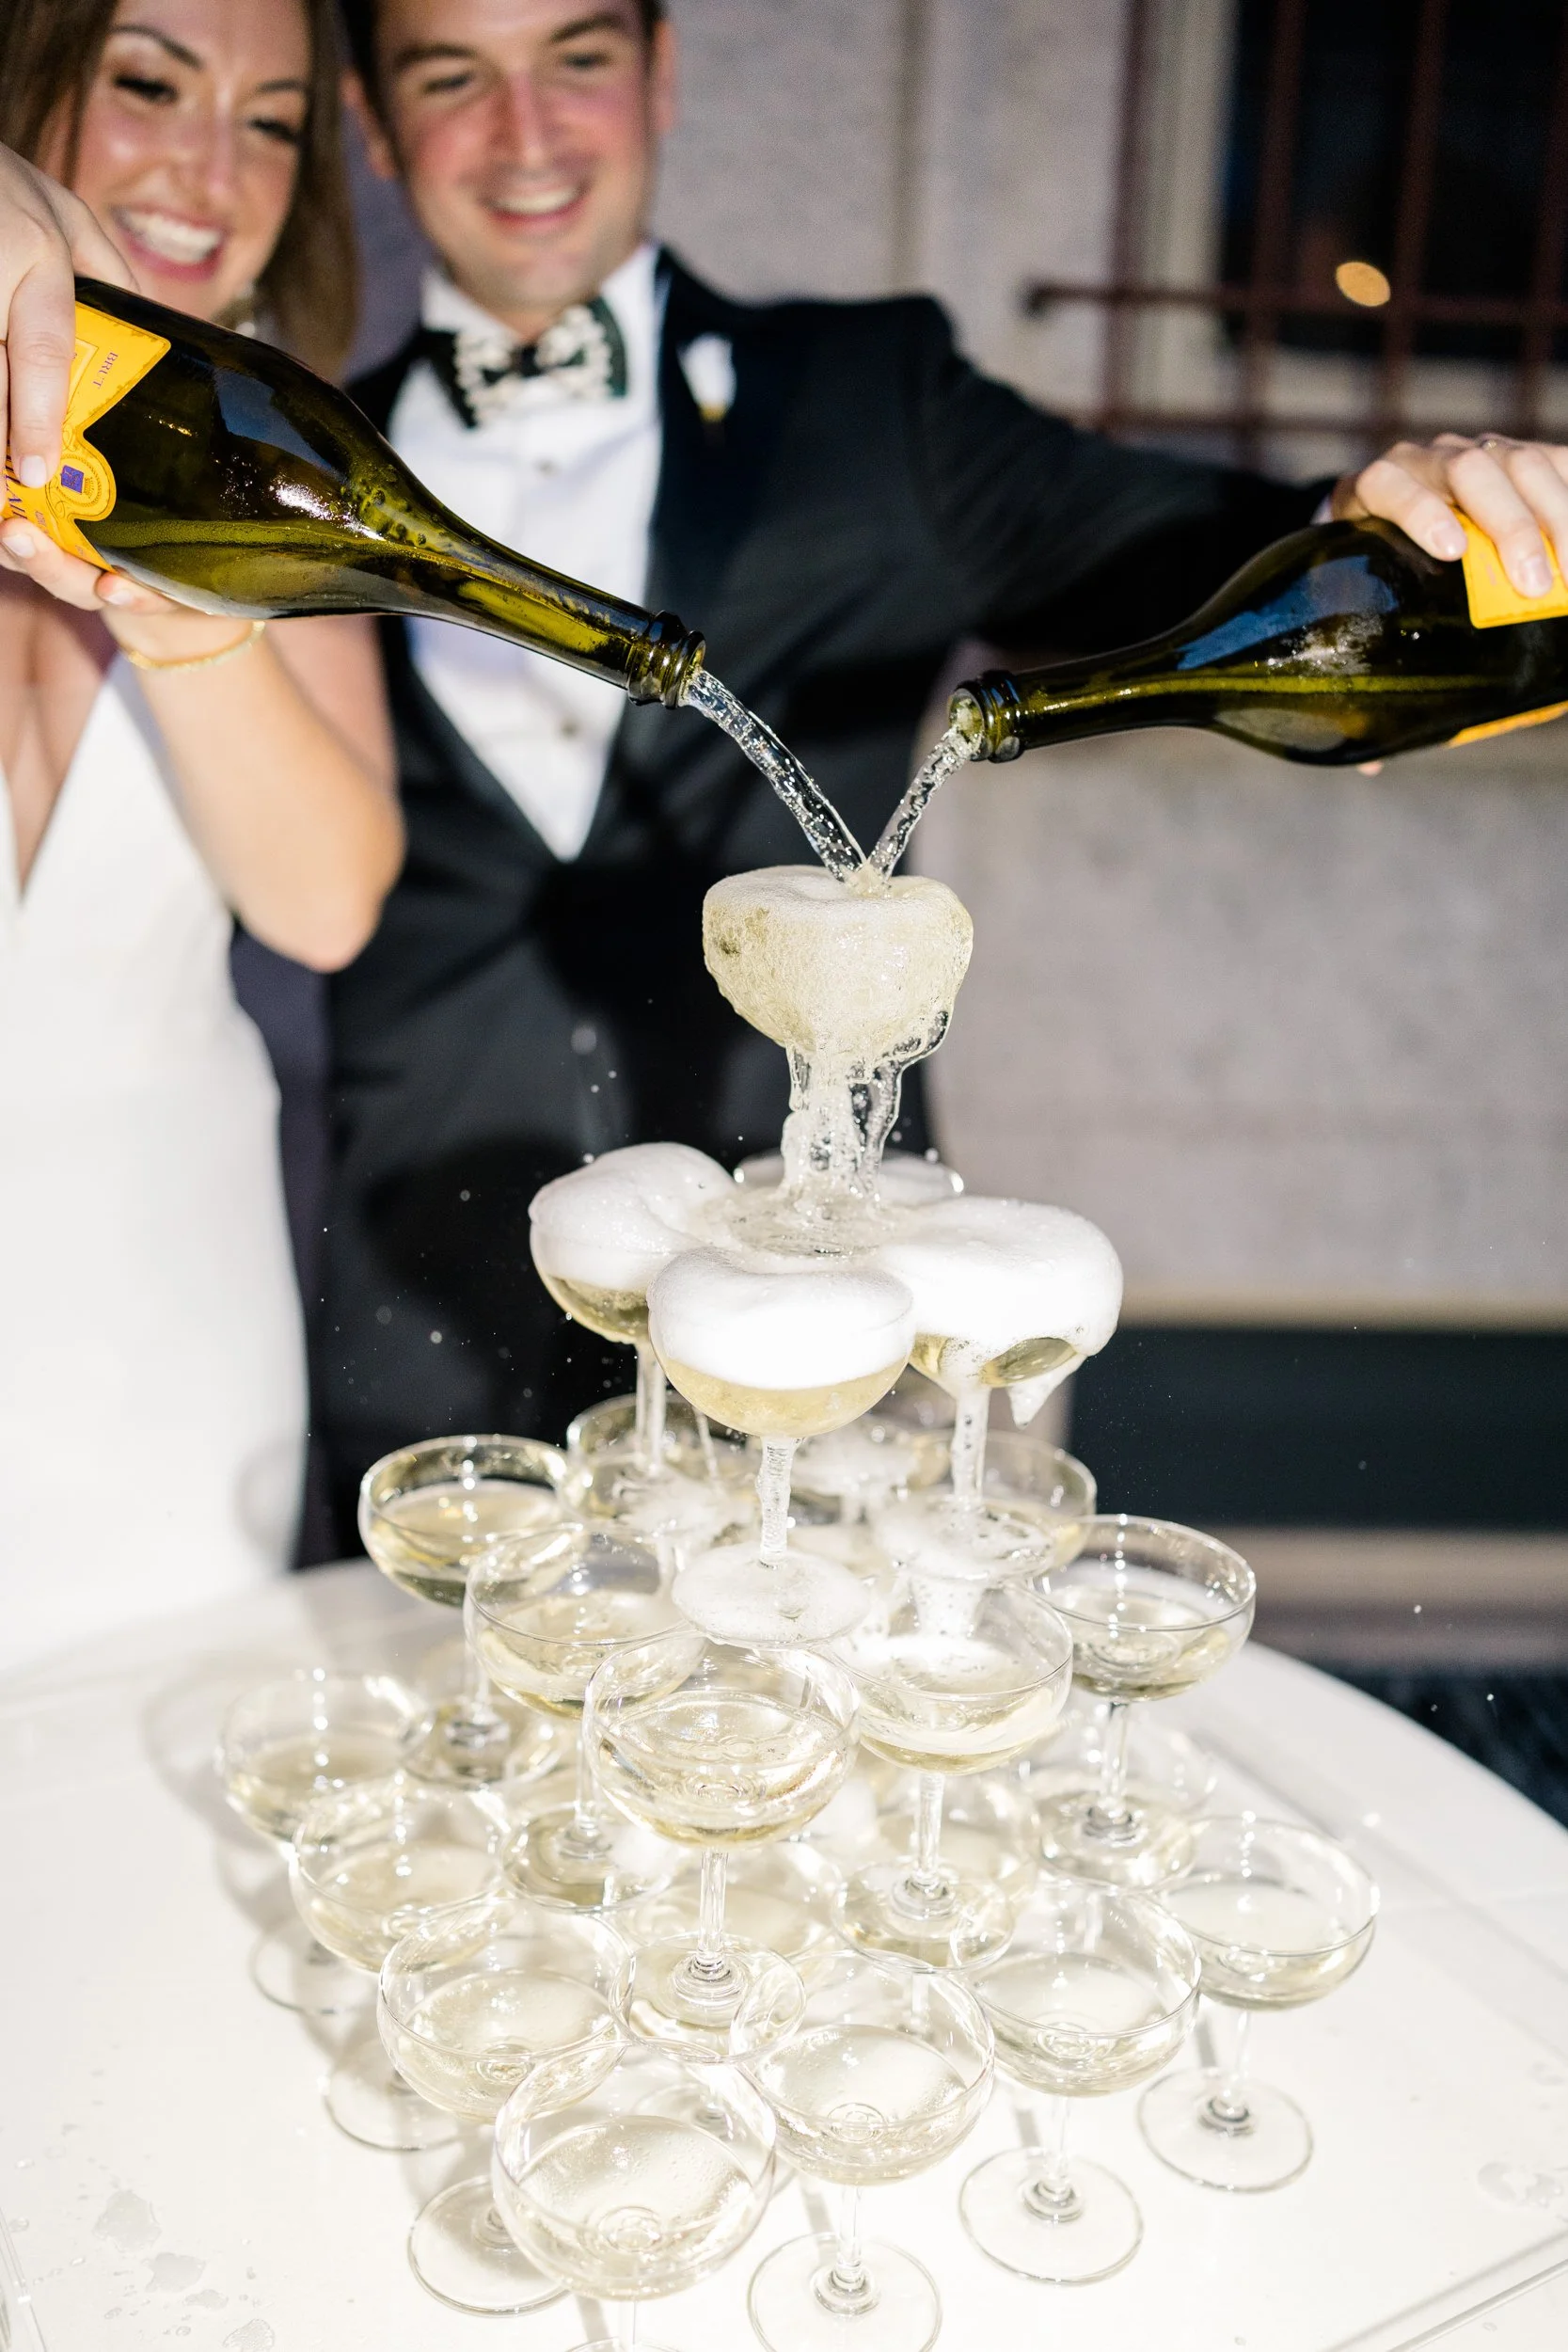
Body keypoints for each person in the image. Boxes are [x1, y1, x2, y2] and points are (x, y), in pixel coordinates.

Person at [10, 2, 1566, 1549]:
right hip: (424, 1332)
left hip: (828, 1361)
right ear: (372, 123)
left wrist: (1395, 524)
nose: (525, 135)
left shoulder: (871, 396)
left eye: (577, 61)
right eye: (453, 77)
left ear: (661, 72)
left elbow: (1207, 563)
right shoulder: (280, 451)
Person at [0, 0, 403, 1671]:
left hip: (162, 1295)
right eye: (151, 85)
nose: (209, 170)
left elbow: (326, 901)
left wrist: (184, 612)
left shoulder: (272, 464)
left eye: (271, 120)